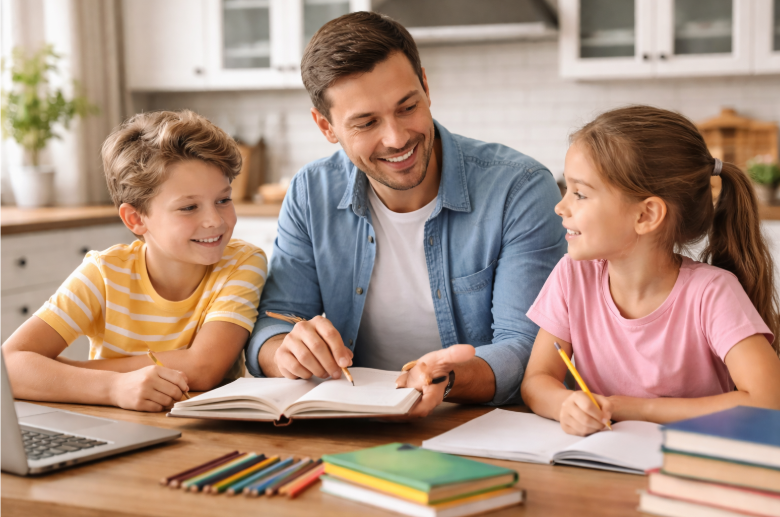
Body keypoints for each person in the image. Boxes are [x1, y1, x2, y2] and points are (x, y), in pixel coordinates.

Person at [245, 12, 566, 417]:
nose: (397, 138)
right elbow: (276, 319)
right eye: (366, 122)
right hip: (353, 422)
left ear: (426, 87)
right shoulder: (311, 192)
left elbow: (526, 348)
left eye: (407, 107)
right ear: (326, 127)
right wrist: (283, 353)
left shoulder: (518, 188)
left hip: (480, 424)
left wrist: (444, 377)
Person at [520, 105, 780, 436]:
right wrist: (564, 406)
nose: (561, 206)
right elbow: (537, 381)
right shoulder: (572, 276)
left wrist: (638, 409)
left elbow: (769, 400)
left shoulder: (712, 293)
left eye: (580, 194)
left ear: (646, 216)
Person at [3, 110, 268, 412]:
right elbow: (10, 364)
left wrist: (64, 373)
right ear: (136, 219)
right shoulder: (104, 273)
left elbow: (204, 368)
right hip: (115, 426)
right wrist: (113, 388)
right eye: (189, 207)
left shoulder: (242, 263)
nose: (215, 221)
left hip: (208, 434)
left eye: (223, 200)